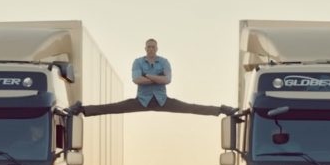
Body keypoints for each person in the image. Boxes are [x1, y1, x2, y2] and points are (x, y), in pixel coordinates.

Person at [67, 38, 236, 117]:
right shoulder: (138, 61)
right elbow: (136, 80)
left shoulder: (164, 61)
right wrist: (156, 77)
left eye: (153, 47)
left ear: (157, 48)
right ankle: (81, 109)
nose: (151, 49)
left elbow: (167, 80)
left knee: (190, 107)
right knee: (113, 107)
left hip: (162, 100)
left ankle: (222, 109)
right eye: (148, 46)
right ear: (145, 48)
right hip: (142, 100)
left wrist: (146, 76)